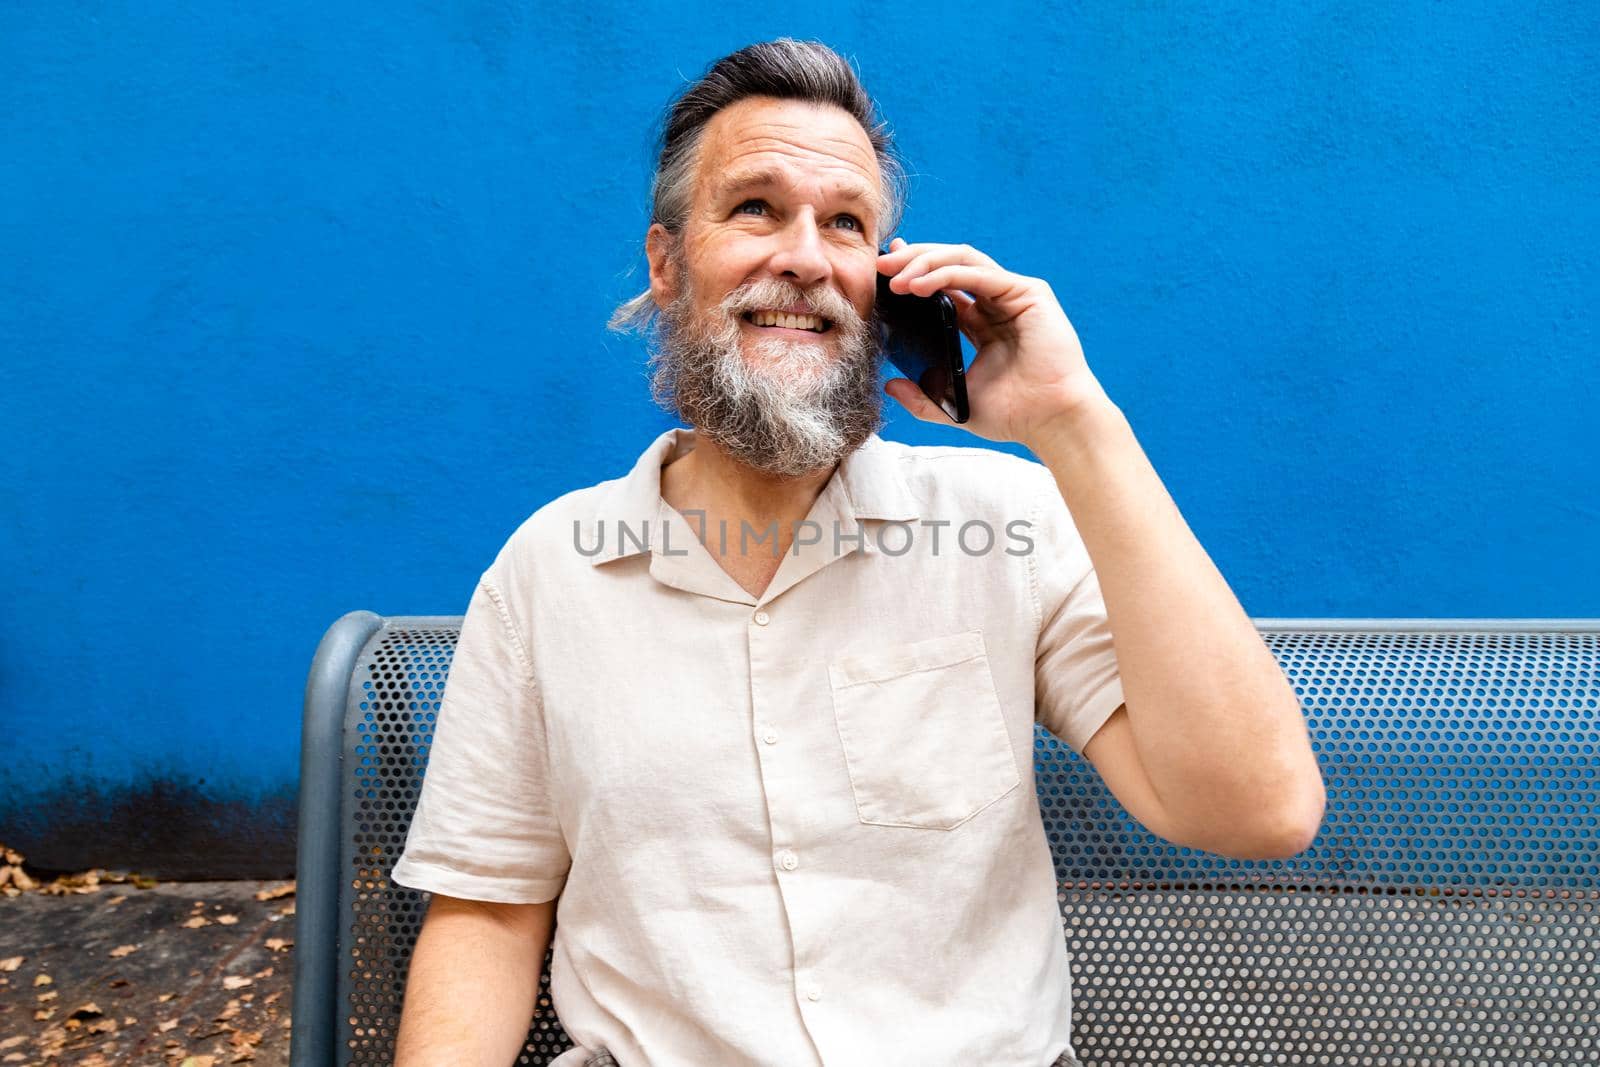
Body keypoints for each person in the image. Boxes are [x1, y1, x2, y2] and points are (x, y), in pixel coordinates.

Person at [390, 37, 1326, 1067]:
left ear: (884, 281)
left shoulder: (1004, 524)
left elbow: (1260, 810)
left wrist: (1077, 424)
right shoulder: (551, 569)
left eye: (845, 223)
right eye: (755, 208)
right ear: (666, 262)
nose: (804, 254)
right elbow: (487, 913)